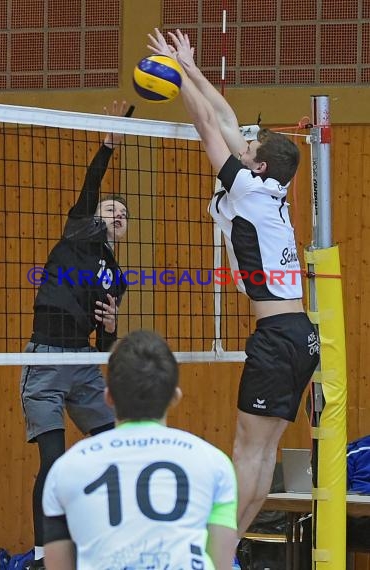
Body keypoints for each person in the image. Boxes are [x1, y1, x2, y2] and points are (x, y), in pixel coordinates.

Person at [147, 29, 320, 539]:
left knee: (247, 451)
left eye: (249, 145)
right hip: (299, 337)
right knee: (263, 452)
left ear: (258, 163)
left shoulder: (245, 186)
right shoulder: (270, 187)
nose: (240, 142)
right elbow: (224, 116)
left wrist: (174, 76)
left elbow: (207, 123)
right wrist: (190, 65)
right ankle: (230, 548)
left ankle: (214, 550)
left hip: (277, 340)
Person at [20, 100, 134, 569]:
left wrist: (109, 330)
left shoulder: (117, 276)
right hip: (47, 358)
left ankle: (105, 545)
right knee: (53, 462)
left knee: (111, 453)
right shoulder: (75, 236)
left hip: (84, 364)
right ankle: (47, 554)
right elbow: (90, 189)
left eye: (122, 217)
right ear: (92, 217)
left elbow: (106, 344)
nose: (114, 217)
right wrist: (106, 147)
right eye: (109, 210)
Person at [42, 329, 238, 570]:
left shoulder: (65, 469)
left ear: (108, 397)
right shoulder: (215, 463)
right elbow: (221, 564)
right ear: (175, 397)